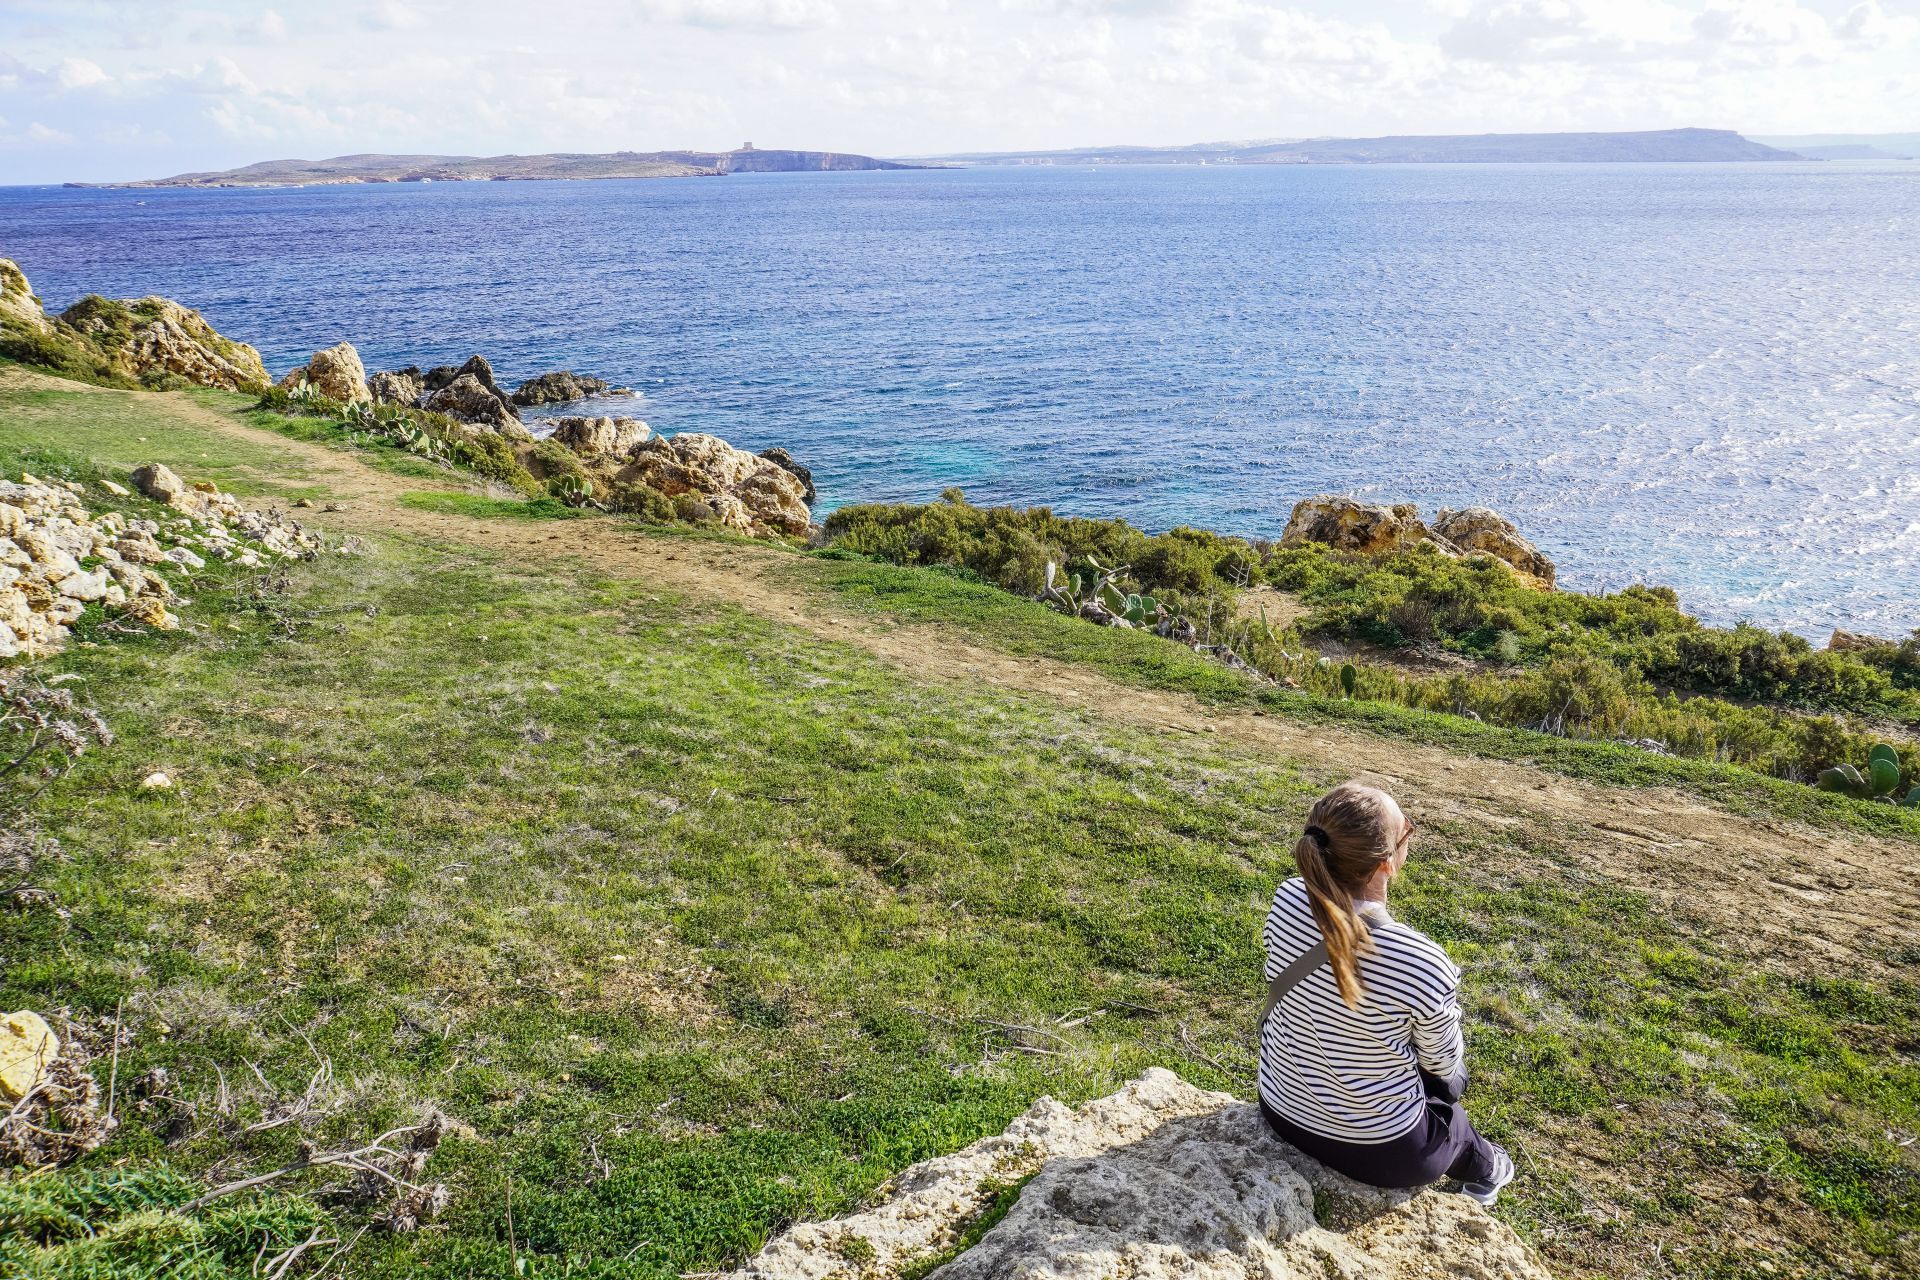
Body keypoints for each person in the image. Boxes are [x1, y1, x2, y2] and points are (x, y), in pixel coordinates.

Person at [1256, 779, 1516, 1205]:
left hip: (1282, 1110)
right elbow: (1442, 1063)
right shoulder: (1421, 960)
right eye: (1406, 832)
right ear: (1387, 863)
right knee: (1448, 1091)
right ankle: (1488, 1168)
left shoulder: (1286, 898)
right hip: (1384, 1154)